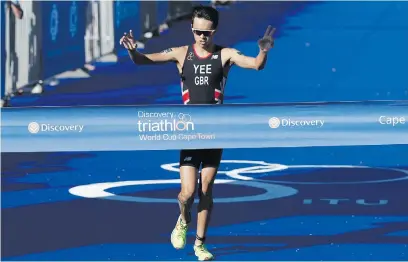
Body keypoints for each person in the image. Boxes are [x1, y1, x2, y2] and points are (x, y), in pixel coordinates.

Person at [120, 5, 275, 261]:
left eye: (207, 33)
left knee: (206, 190)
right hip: (190, 133)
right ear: (191, 29)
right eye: (197, 32)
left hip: (216, 133)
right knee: (187, 193)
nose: (202, 37)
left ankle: (200, 244)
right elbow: (143, 60)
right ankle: (183, 219)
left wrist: (263, 50)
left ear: (214, 31)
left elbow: (256, 65)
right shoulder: (182, 54)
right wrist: (132, 50)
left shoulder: (225, 54)